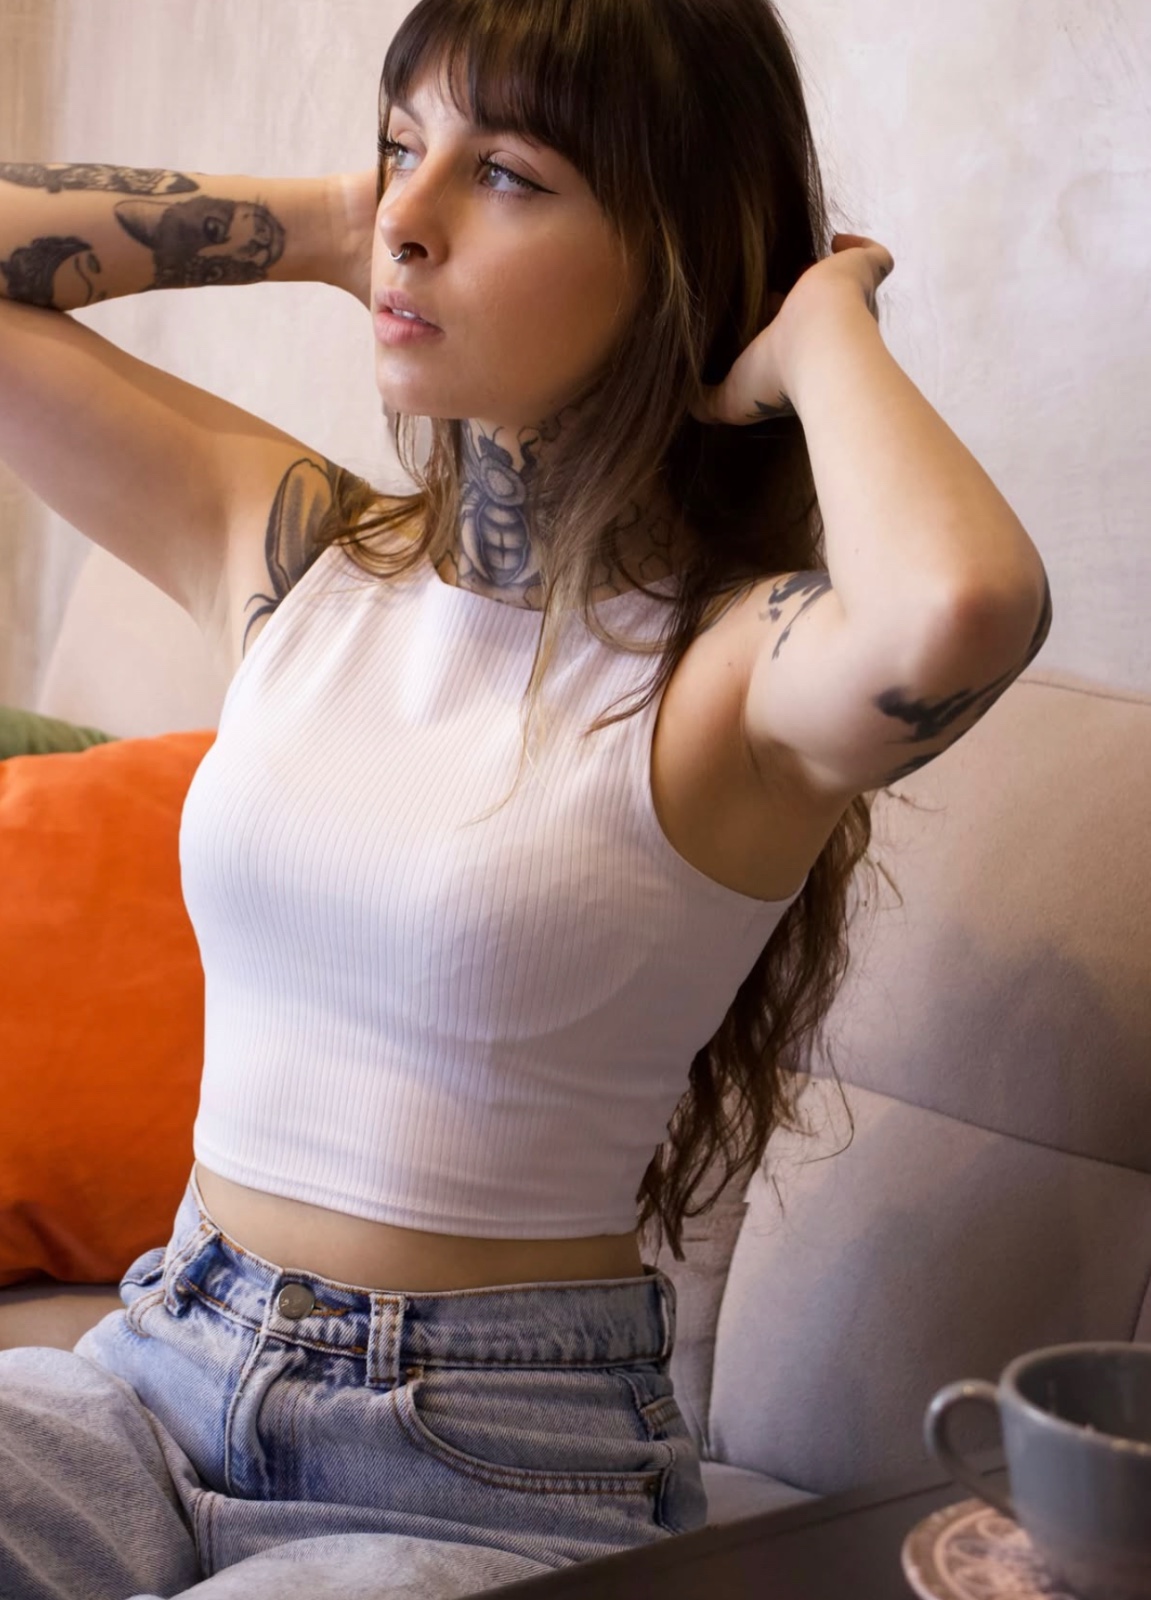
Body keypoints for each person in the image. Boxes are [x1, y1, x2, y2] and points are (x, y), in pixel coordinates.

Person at [0, 0, 1052, 1594]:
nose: (414, 214)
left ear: (679, 261)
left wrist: (816, 324)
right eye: (402, 145)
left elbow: (962, 610)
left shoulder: (725, 679)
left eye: (509, 175)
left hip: (484, 1470)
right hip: (155, 1369)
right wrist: (346, 216)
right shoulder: (302, 559)